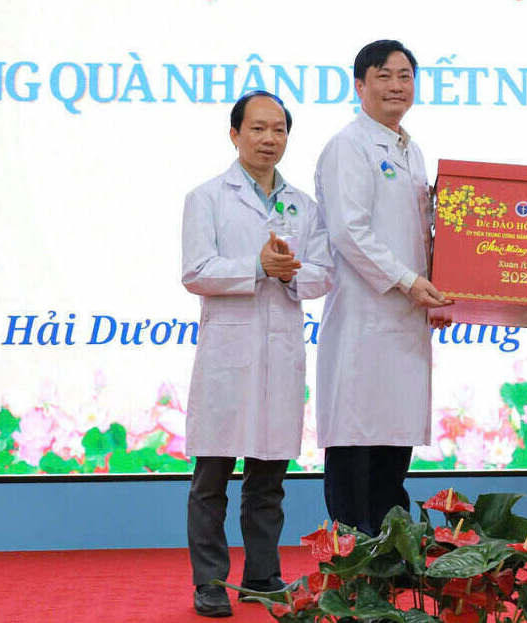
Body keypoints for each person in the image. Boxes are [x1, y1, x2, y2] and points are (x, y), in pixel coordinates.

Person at [181, 90, 333, 617]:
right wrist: (257, 267)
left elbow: (323, 274)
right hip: (229, 353)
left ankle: (264, 574)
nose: (269, 139)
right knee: (212, 479)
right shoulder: (207, 198)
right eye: (258, 129)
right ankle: (209, 582)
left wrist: (292, 274)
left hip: (279, 354)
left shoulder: (302, 206)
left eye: (279, 130)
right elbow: (196, 271)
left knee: (268, 480)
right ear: (234, 134)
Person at [314, 40, 451, 537]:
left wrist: (441, 285)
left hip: (405, 319)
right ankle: (354, 558)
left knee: (393, 442)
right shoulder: (348, 147)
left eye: (405, 76)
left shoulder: (410, 150)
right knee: (356, 441)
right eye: (385, 75)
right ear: (360, 85)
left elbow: (422, 234)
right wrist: (410, 281)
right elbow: (350, 231)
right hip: (363, 319)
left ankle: (391, 555)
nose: (397, 85)